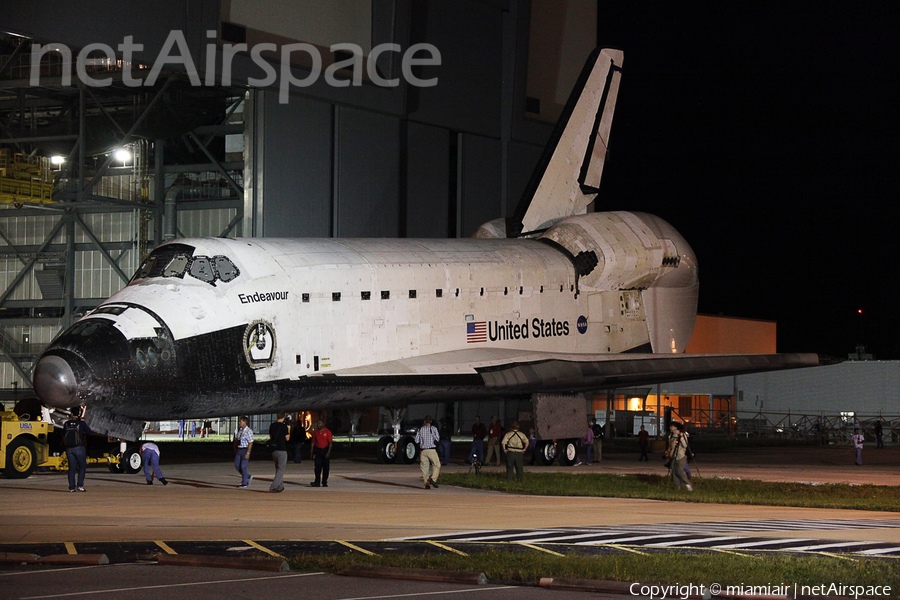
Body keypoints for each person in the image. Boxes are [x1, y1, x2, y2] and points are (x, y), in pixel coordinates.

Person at [63, 407, 92, 492]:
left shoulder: (66, 423)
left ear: (71, 414)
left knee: (71, 468)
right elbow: (89, 431)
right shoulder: (81, 423)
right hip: (79, 447)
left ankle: (72, 487)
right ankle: (80, 485)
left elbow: (63, 433)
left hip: (69, 448)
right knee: (82, 466)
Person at [415, 415, 441, 489]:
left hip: (423, 451)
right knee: (437, 464)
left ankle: (427, 484)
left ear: (424, 421)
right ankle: (433, 479)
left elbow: (416, 440)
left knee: (424, 468)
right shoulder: (433, 428)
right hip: (431, 450)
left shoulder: (420, 429)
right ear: (431, 422)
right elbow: (437, 439)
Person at [665, 422, 692, 491]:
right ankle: (677, 488)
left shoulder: (682, 435)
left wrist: (681, 437)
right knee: (673, 472)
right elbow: (670, 445)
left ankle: (687, 484)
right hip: (673, 455)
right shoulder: (671, 436)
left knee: (679, 471)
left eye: (672, 426)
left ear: (676, 427)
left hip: (681, 456)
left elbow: (685, 445)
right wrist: (668, 451)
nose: (670, 428)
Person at [268, 412, 290, 493]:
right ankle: (273, 486)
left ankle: (280, 486)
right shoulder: (284, 426)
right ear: (283, 417)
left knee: (277, 468)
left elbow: (270, 437)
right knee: (281, 469)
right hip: (282, 449)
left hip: (274, 449)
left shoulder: (272, 425)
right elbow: (287, 438)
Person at [310, 419, 332, 487]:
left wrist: (328, 451)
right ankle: (317, 481)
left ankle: (324, 481)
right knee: (317, 467)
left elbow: (330, 442)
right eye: (318, 424)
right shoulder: (315, 432)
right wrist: (311, 451)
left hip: (324, 450)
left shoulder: (327, 432)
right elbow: (313, 442)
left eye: (320, 423)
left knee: (326, 468)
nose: (319, 425)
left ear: (323, 424)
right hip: (317, 451)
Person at [232, 416, 253, 488]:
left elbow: (250, 442)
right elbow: (237, 439)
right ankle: (248, 476)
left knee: (243, 466)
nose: (239, 423)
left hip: (245, 449)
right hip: (239, 449)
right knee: (237, 465)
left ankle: (244, 483)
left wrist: (248, 453)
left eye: (241, 422)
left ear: (245, 422)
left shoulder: (248, 431)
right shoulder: (240, 430)